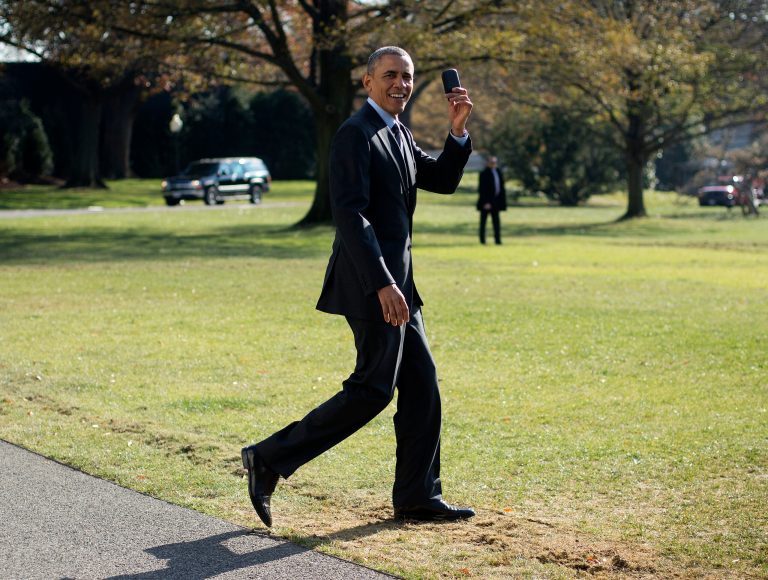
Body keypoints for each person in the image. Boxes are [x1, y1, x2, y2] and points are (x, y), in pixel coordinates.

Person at [241, 46, 475, 527]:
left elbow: (442, 180)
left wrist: (457, 131)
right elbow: (351, 215)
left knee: (422, 386)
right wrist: (384, 284)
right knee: (373, 388)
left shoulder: (399, 132)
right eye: (390, 75)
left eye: (407, 77)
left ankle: (416, 496)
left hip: (402, 288)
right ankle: (267, 458)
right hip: (373, 287)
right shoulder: (354, 135)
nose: (401, 84)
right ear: (367, 82)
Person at [476, 155, 507, 244]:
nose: (493, 164)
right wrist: (486, 202)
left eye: (495, 162)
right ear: (487, 163)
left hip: (496, 202)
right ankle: (482, 241)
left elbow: (501, 188)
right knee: (483, 223)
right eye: (491, 162)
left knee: (496, 223)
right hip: (486, 203)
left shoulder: (498, 172)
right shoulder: (484, 173)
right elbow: (482, 190)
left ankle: (498, 241)